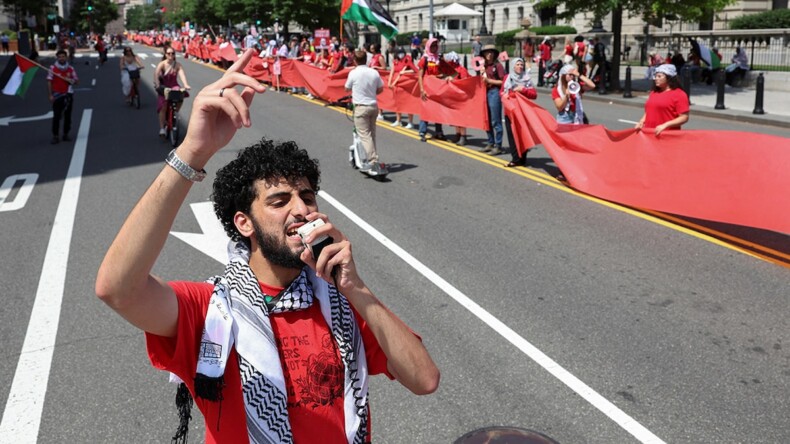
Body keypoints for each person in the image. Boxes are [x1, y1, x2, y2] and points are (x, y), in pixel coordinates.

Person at [95, 49, 439, 444]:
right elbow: (117, 289)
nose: (301, 210)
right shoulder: (211, 309)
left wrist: (356, 288)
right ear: (244, 223)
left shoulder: (341, 301)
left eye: (307, 198)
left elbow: (425, 380)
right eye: (279, 202)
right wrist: (193, 152)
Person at [345, 49, 385, 174]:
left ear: (355, 61)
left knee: (364, 135)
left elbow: (347, 88)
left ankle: (373, 161)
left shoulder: (353, 73)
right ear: (366, 59)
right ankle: (371, 159)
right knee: (371, 135)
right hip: (373, 106)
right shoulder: (374, 72)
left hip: (361, 107)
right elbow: (380, 89)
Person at [502, 57, 538, 167]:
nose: (520, 67)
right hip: (510, 111)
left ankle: (523, 158)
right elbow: (501, 92)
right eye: (517, 64)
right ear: (513, 66)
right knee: (512, 134)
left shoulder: (526, 79)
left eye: (521, 65)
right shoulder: (507, 78)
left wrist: (523, 90)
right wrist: (504, 95)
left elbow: (534, 95)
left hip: (523, 111)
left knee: (523, 134)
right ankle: (515, 158)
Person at [635, 64, 689, 135]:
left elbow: (684, 117)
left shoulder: (679, 94)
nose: (656, 78)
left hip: (667, 136)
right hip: (649, 134)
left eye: (659, 76)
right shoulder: (654, 93)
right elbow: (648, 112)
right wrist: (641, 122)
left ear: (669, 77)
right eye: (655, 76)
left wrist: (666, 125)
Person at [154, 45, 191, 137]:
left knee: (181, 96)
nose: (171, 55)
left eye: (173, 53)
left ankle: (175, 112)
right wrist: (158, 84)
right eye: (169, 53)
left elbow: (182, 75)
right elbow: (156, 74)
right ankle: (162, 128)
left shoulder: (177, 65)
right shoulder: (162, 64)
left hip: (174, 86)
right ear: (165, 54)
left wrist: (185, 84)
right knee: (163, 106)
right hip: (164, 87)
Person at [417, 37, 450, 142]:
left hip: (438, 88)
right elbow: (420, 75)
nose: (434, 48)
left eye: (435, 45)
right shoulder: (425, 59)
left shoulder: (440, 58)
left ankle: (439, 132)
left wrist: (441, 76)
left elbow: (446, 72)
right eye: (432, 46)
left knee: (438, 110)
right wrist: (421, 89)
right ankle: (422, 132)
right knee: (426, 109)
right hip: (427, 88)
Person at [48, 49, 79, 144]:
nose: (61, 58)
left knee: (67, 116)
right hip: (57, 95)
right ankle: (55, 135)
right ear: (57, 58)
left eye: (63, 56)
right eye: (60, 57)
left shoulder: (70, 69)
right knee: (56, 116)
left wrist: (70, 80)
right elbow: (49, 82)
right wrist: (50, 95)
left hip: (68, 95)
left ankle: (66, 134)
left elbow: (77, 81)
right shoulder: (52, 69)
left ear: (66, 57)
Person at [479, 44, 505, 155]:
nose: (489, 54)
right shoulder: (483, 66)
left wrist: (490, 81)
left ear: (494, 54)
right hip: (485, 92)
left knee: (495, 120)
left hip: (494, 92)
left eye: (491, 52)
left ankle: (498, 145)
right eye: (487, 52)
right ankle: (490, 142)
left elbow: (503, 82)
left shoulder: (498, 66)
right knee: (487, 119)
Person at [387, 47, 417, 129]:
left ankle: (410, 122)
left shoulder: (408, 60)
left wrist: (405, 71)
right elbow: (392, 71)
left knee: (408, 103)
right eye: (399, 52)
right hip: (396, 85)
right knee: (397, 103)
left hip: (406, 85)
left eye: (402, 52)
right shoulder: (396, 61)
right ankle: (398, 120)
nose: (401, 54)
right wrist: (389, 82)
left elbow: (415, 70)